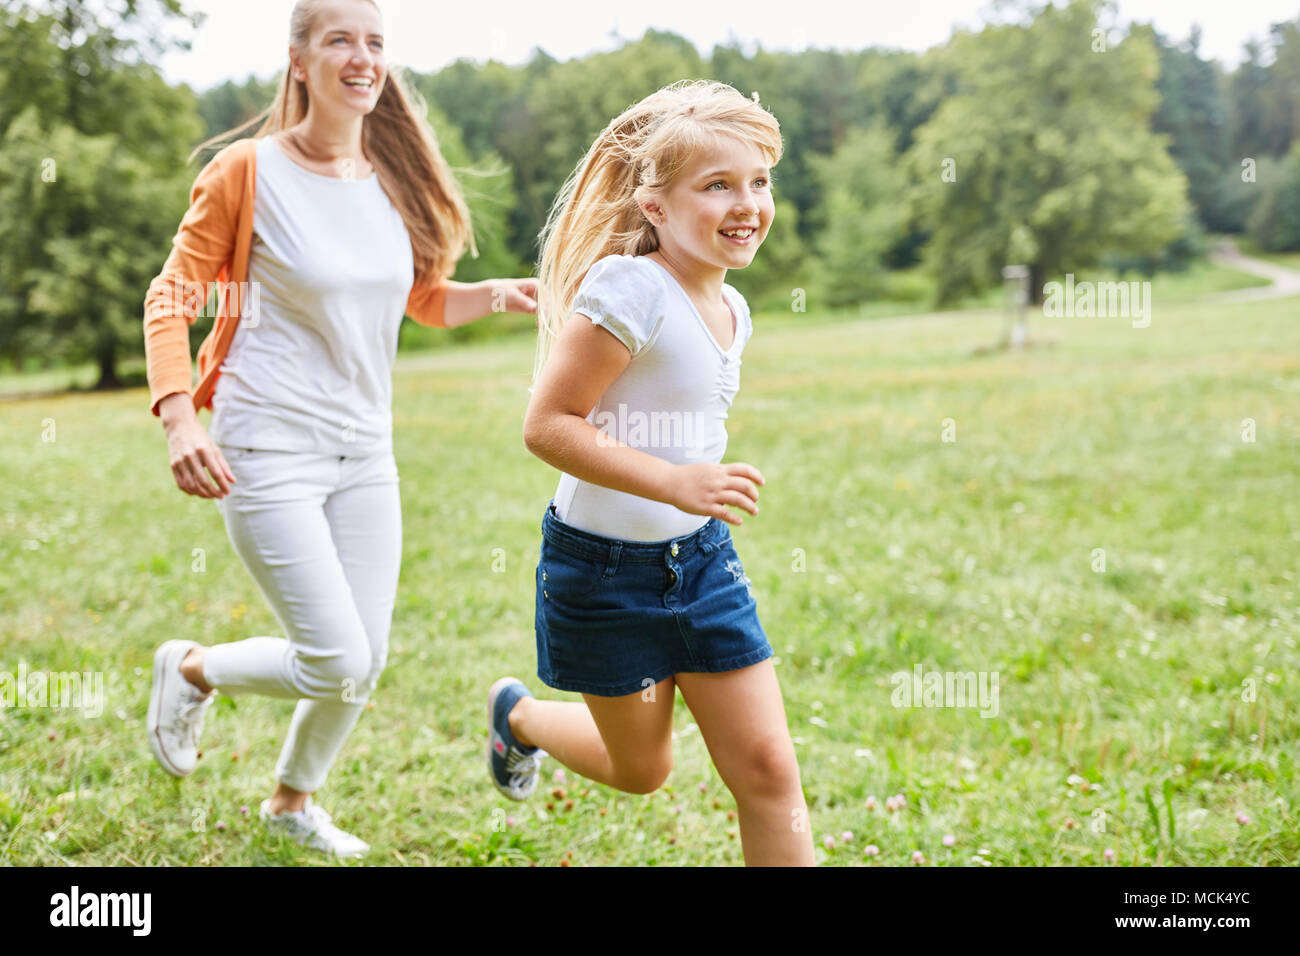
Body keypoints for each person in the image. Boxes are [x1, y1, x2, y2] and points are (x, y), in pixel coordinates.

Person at [142, 0, 537, 859]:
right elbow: (170, 297)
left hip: (365, 452)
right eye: (340, 41)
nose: (361, 58)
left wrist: (501, 293)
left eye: (375, 44)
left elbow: (421, 299)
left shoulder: (388, 180)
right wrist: (179, 419)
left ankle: (292, 802)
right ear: (299, 59)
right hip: (263, 444)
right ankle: (193, 668)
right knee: (337, 658)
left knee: (368, 654)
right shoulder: (247, 173)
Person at [486, 80, 815, 866]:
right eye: (717, 185)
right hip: (602, 575)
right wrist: (674, 483)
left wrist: (688, 499)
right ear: (657, 207)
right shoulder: (630, 289)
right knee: (643, 770)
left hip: (700, 565)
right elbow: (548, 426)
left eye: (759, 181)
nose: (747, 204)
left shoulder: (735, 307)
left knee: (769, 772)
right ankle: (520, 719)